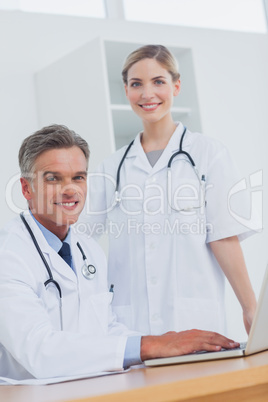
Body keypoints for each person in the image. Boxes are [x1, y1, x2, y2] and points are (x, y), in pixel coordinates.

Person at [0, 125, 239, 382]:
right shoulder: (10, 253)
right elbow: (39, 350)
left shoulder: (88, 249)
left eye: (78, 177)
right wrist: (148, 346)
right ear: (26, 189)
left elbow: (106, 328)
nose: (70, 190)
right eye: (53, 178)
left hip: (90, 389)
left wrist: (167, 347)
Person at [88, 44, 259, 337]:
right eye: (136, 84)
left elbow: (224, 238)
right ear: (126, 90)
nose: (147, 94)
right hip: (130, 329)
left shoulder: (208, 154)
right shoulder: (111, 167)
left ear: (176, 86)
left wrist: (250, 307)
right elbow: (81, 241)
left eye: (158, 82)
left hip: (194, 321)